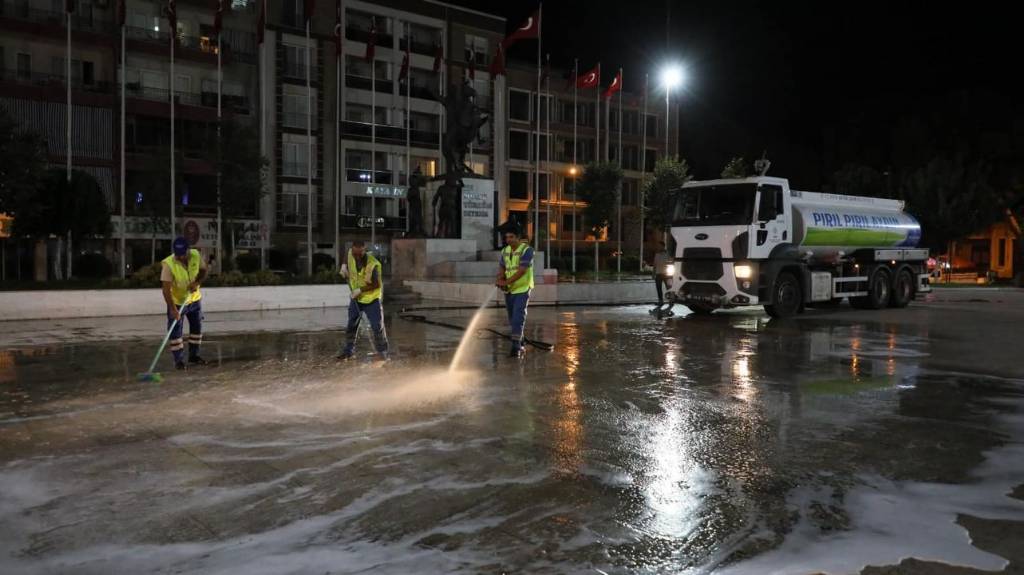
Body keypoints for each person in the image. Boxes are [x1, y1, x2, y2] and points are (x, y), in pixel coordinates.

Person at [161, 236, 208, 370]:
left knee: (196, 329)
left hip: (194, 299)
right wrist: (173, 310)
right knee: (176, 332)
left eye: (183, 254)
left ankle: (194, 356)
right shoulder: (168, 264)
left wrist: (196, 283)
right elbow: (165, 290)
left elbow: (204, 271)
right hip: (177, 302)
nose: (180, 257)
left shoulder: (195, 255)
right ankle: (179, 361)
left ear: (188, 250)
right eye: (177, 254)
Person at [338, 241, 389, 361]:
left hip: (372, 299)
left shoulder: (372, 264)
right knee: (352, 324)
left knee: (377, 326)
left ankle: (383, 353)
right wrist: (344, 265)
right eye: (355, 254)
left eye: (359, 254)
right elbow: (347, 254)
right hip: (357, 299)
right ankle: (348, 351)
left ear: (364, 251)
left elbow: (376, 284)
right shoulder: (351, 253)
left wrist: (359, 290)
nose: (356, 257)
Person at [495, 227, 535, 358]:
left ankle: (516, 347)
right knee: (512, 319)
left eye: (511, 237)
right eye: (507, 237)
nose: (508, 240)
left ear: (518, 237)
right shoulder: (505, 251)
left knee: (518, 317)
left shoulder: (527, 250)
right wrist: (500, 278)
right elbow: (502, 266)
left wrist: (505, 283)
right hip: (510, 290)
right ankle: (520, 340)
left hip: (522, 288)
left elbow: (522, 270)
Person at [651, 242, 675, 317]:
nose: (659, 247)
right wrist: (653, 273)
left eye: (660, 246)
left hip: (666, 274)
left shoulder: (667, 254)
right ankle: (660, 301)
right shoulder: (657, 254)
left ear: (663, 246)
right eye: (658, 246)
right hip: (658, 274)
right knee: (658, 288)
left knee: (669, 288)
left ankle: (671, 301)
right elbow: (655, 265)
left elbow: (672, 262)